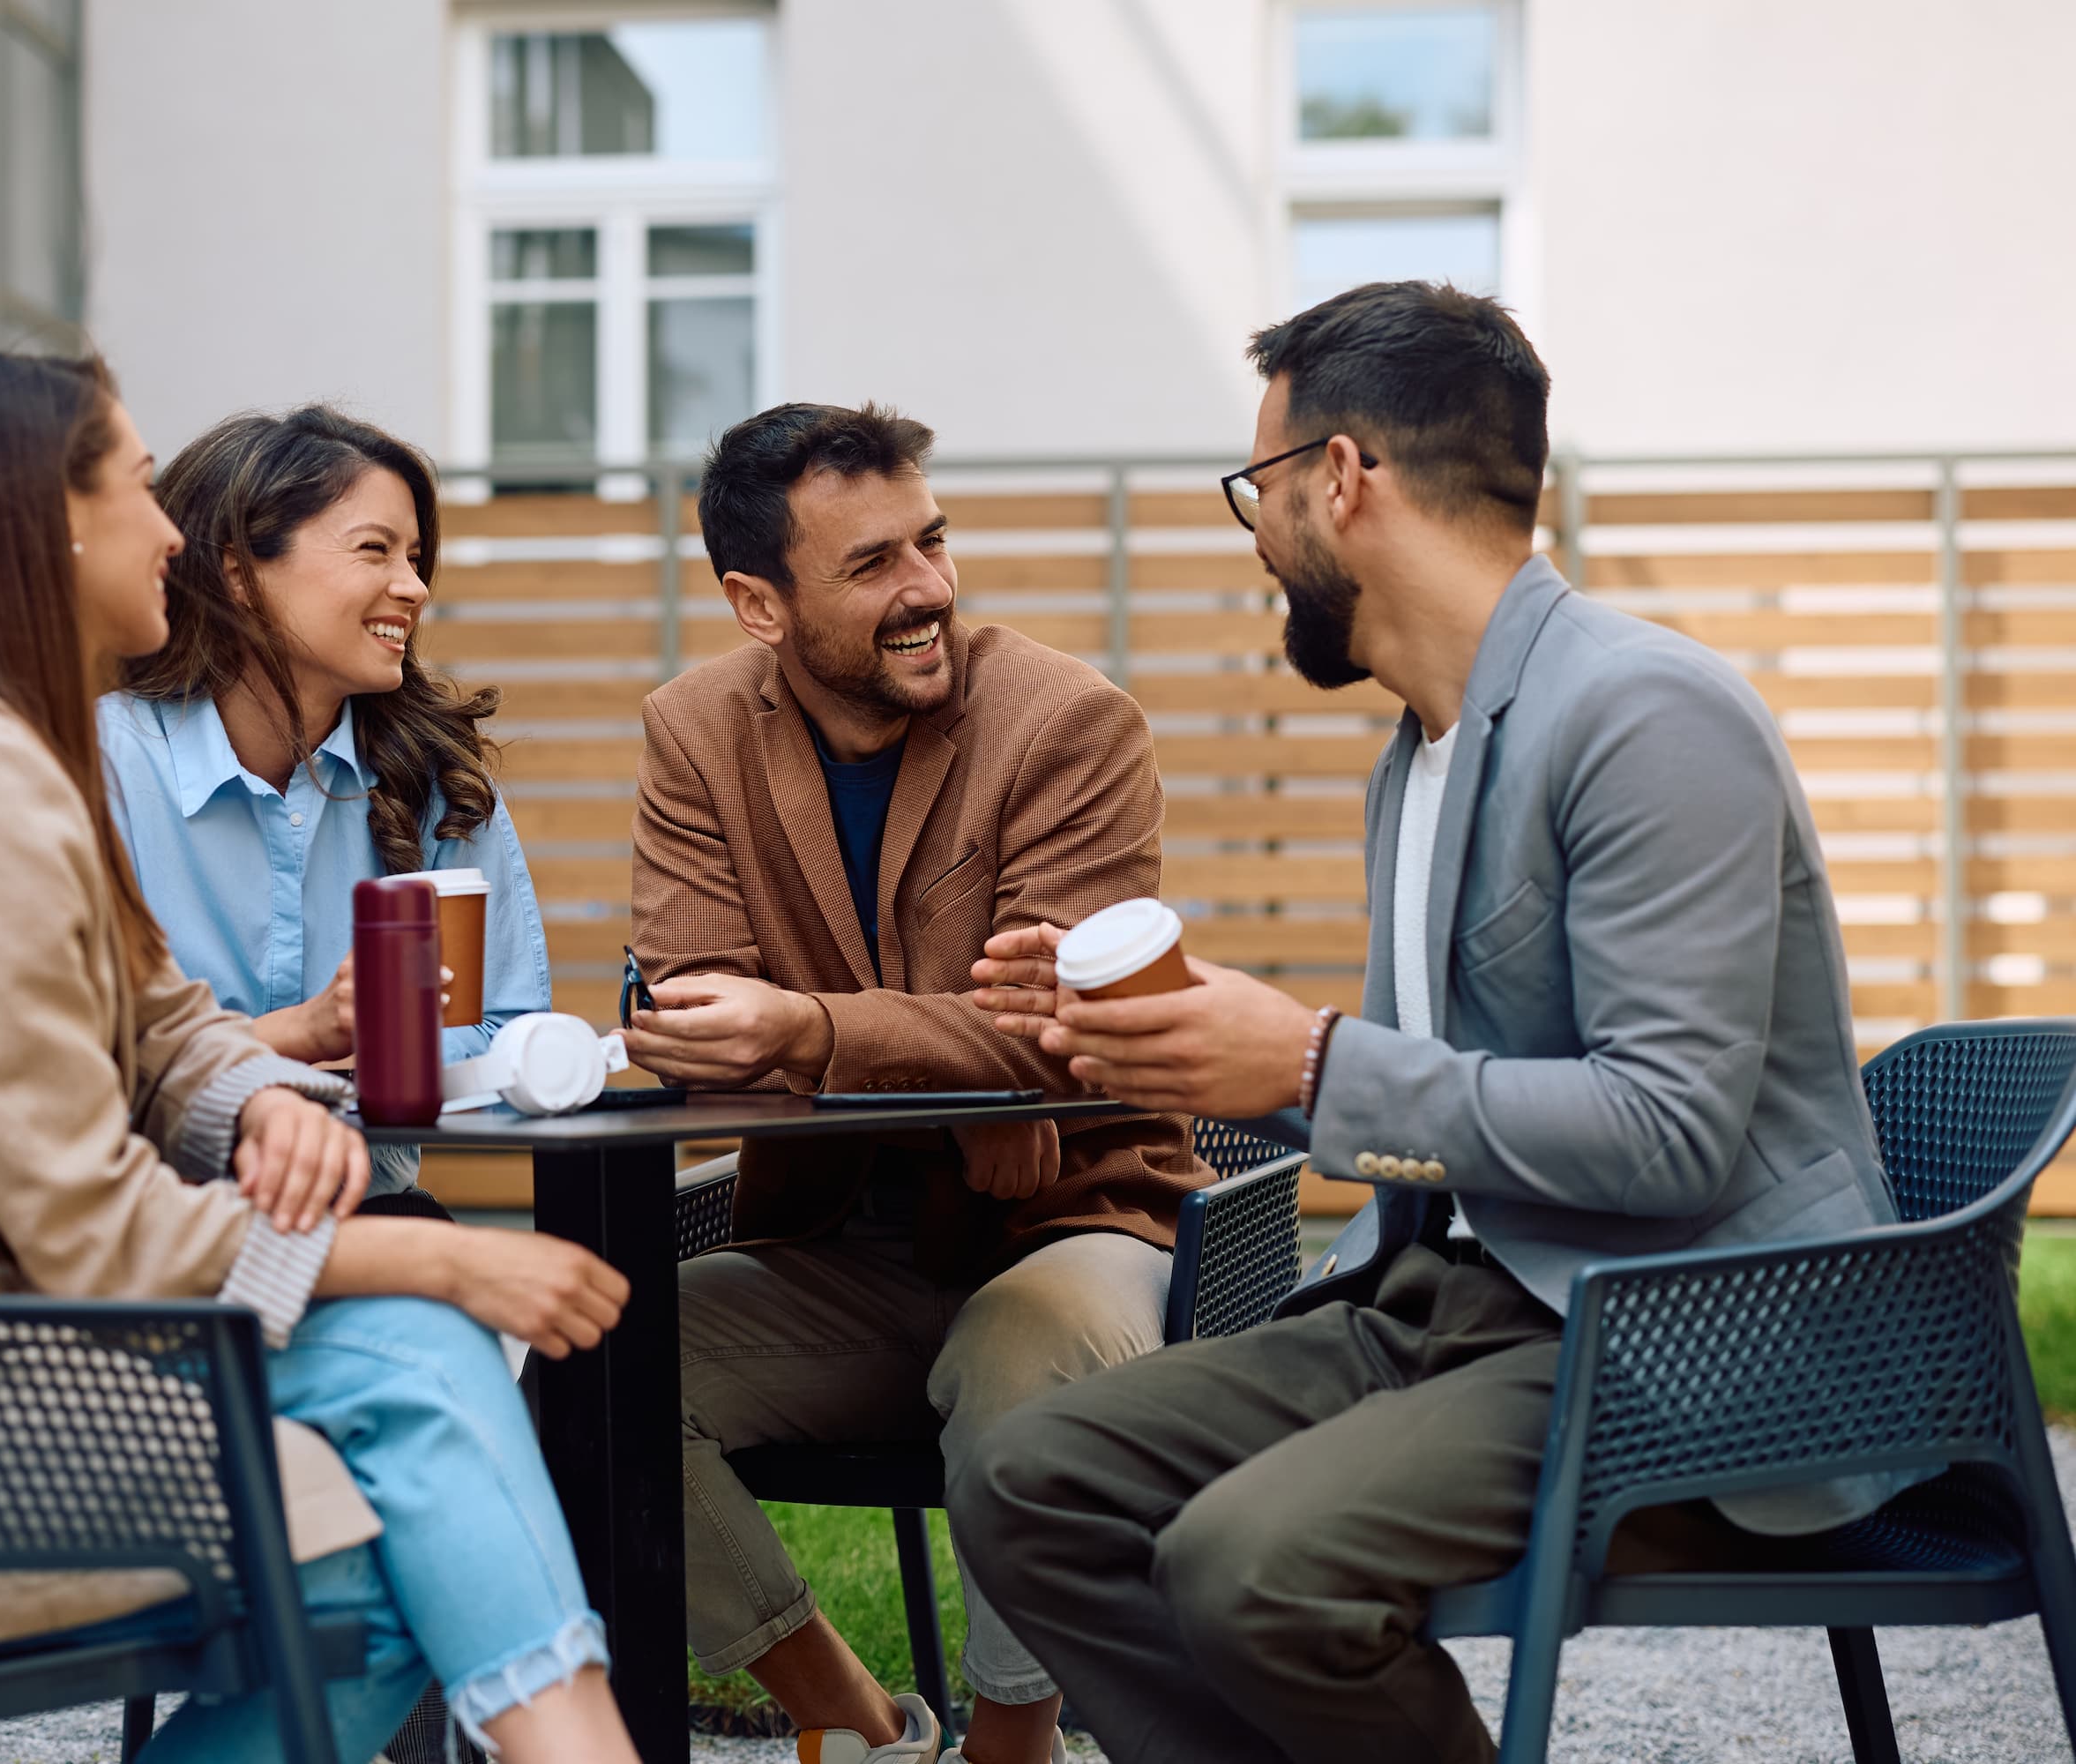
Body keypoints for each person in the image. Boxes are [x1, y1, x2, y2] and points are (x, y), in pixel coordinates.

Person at [950, 281, 1903, 1764]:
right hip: (1456, 1301)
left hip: (1675, 1333)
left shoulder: (1647, 715)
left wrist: (1315, 1058)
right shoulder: (1421, 754)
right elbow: (1427, 1103)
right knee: (1028, 1477)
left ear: (1341, 478)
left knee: (1251, 1564)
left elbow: (1671, 1138)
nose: (1256, 536)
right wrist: (1178, 1044)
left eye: (1259, 490)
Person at [0, 351, 638, 1764]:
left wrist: (266, 1100)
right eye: (133, 487)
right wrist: (439, 1257)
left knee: (386, 1545)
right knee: (419, 1354)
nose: (171, 531)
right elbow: (91, 1222)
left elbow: (159, 1020)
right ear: (45, 521)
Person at [619, 400, 1210, 1764]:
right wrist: (965, 1094)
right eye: (874, 564)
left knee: (1026, 1348)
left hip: (1080, 1220)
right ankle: (858, 1724)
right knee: (590, 1358)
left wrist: (816, 1034)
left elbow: (1059, 1037)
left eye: (932, 542)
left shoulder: (1068, 722)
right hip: (843, 1242)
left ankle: (1015, 1743)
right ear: (758, 606)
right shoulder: (693, 733)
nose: (928, 588)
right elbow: (702, 1014)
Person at [101, 403, 549, 1200]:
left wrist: (378, 1058)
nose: (412, 587)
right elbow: (78, 1066)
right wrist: (304, 1038)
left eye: (415, 557)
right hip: (149, 1232)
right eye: (374, 550)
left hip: (370, 1209)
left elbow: (506, 1033)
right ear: (238, 573)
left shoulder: (434, 778)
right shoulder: (105, 768)